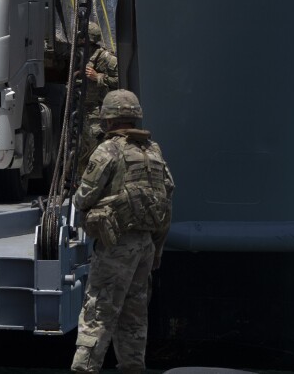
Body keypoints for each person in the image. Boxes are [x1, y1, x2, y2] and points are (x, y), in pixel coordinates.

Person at [71, 90, 175, 374]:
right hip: (145, 246)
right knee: (134, 316)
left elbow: (83, 197)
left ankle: (84, 370)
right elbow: (167, 196)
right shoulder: (152, 150)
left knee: (98, 313)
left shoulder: (109, 149)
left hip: (116, 246)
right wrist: (157, 250)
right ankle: (132, 368)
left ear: (107, 119)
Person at [76, 20, 120, 172]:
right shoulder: (80, 55)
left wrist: (99, 77)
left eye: (83, 38)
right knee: (82, 148)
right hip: (82, 109)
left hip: (98, 110)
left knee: (94, 147)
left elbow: (120, 80)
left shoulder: (105, 57)